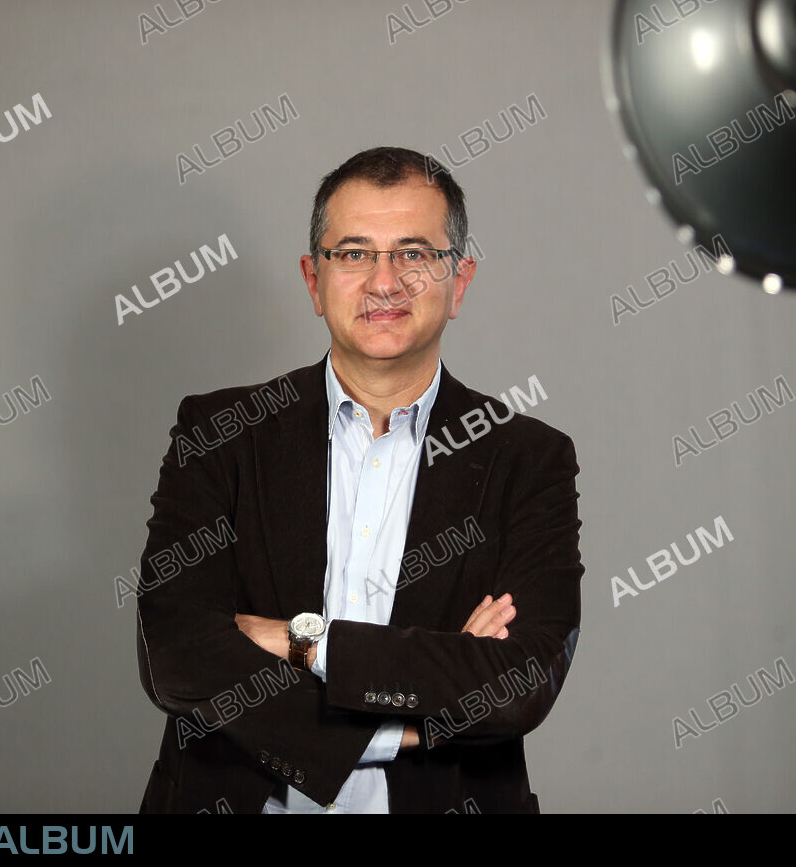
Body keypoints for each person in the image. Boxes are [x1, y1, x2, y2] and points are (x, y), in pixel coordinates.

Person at [135, 146, 584, 813]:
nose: (384, 282)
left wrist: (299, 638)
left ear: (458, 282)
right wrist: (412, 718)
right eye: (353, 253)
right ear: (313, 281)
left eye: (414, 254)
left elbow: (518, 684)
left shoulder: (527, 458)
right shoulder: (219, 431)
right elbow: (177, 658)